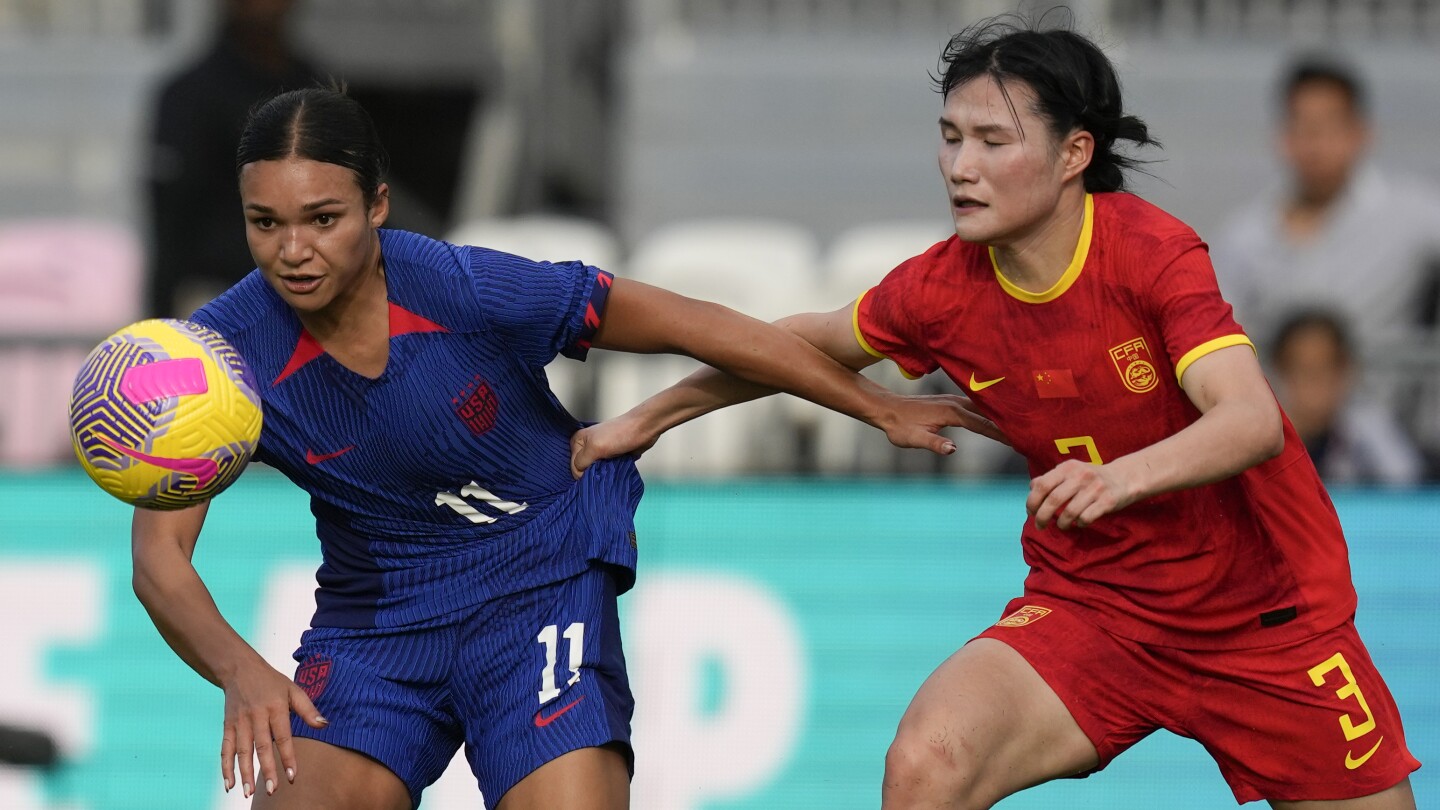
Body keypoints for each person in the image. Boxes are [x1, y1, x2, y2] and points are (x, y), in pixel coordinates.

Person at [570, 18, 1420, 809]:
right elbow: (798, 343)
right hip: (1095, 610)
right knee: (927, 761)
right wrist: (648, 419)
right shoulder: (941, 288)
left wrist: (1120, 478)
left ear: (1073, 154)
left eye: (991, 141)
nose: (959, 166)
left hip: (1266, 622)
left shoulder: (1154, 255)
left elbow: (1249, 421)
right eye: (949, 138)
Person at [127, 86, 993, 809]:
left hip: (539, 580)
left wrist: (871, 405)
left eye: (323, 218)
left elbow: (703, 326)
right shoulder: (216, 360)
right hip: (377, 627)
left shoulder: (469, 288)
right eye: (264, 223)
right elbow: (160, 560)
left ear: (378, 205)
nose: (293, 251)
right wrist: (241, 671)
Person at [1209, 56, 1440, 440]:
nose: (1315, 144)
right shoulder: (1243, 237)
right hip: (1276, 439)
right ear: (1282, 136)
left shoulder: (1414, 214)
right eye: (1302, 127)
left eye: (1329, 126)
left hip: (1388, 446)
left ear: (1361, 132)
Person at [145, 0, 317, 319]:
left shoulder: (315, 88)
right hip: (217, 303)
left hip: (310, 302)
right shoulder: (189, 95)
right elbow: (170, 221)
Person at [1269, 309, 1425, 487]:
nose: (1316, 383)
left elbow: (1406, 485)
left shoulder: (1368, 425)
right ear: (1279, 371)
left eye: (1326, 369)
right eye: (1304, 370)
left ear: (1347, 371)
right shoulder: (1265, 434)